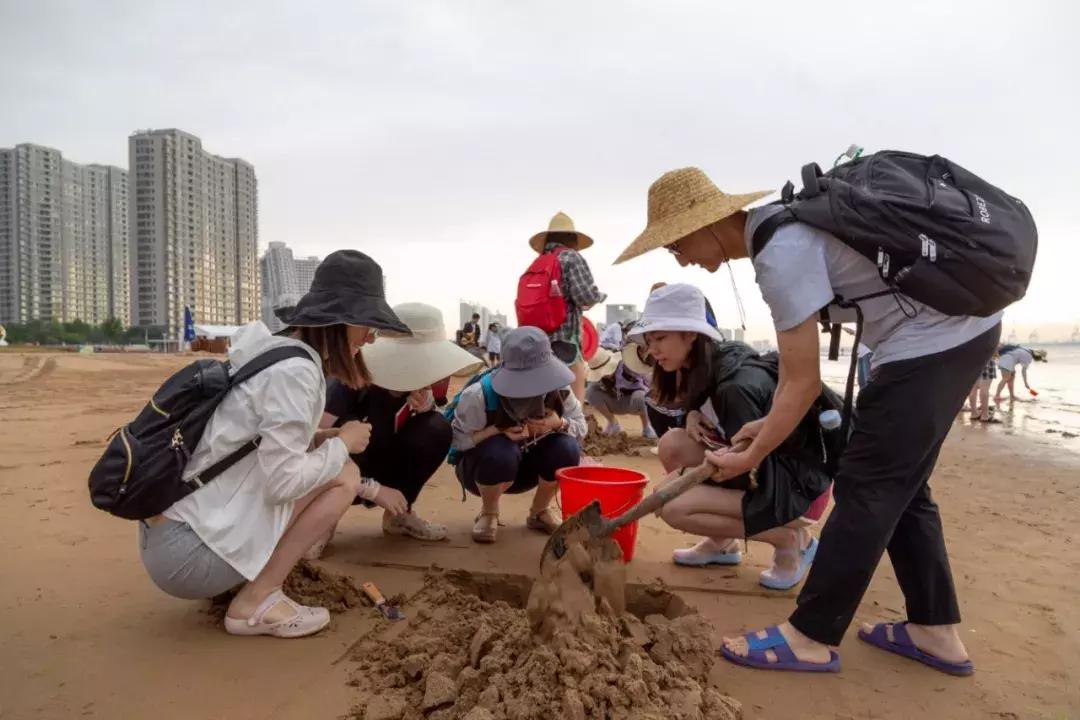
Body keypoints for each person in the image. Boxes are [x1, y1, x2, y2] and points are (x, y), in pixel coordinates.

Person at [616, 167, 1002, 675]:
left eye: (675, 244)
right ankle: (934, 631)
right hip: (954, 336)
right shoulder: (787, 229)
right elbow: (791, 389)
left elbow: (800, 380)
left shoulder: (781, 253)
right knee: (905, 488)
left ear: (704, 223)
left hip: (931, 343)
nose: (680, 257)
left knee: (867, 485)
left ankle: (810, 636)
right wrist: (763, 429)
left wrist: (752, 452)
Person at [138, 250, 412, 638]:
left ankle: (244, 578)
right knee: (344, 476)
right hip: (187, 557)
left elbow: (251, 444)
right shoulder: (296, 372)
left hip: (170, 533)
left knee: (332, 463)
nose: (371, 337)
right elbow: (282, 483)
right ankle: (256, 601)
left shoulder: (270, 351)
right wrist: (343, 445)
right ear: (340, 320)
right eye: (368, 324)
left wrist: (323, 437)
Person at [629, 284, 831, 588]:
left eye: (660, 338)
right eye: (649, 340)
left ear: (691, 334)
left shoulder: (736, 386)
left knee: (672, 505)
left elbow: (762, 470)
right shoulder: (703, 365)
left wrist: (685, 481)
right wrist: (694, 415)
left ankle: (791, 540)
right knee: (673, 444)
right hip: (766, 471)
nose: (652, 350)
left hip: (798, 489)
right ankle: (722, 543)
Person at [319, 303, 484, 545]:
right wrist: (371, 489)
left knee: (437, 427)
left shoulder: (425, 386)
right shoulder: (350, 381)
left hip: (386, 461)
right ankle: (324, 521)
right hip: (339, 472)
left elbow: (428, 430)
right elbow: (315, 445)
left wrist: (428, 407)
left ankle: (399, 516)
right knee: (349, 431)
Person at [451, 327, 587, 544]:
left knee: (567, 448)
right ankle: (489, 513)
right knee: (499, 451)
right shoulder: (480, 395)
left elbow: (581, 427)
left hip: (529, 470)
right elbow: (457, 441)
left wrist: (557, 423)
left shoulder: (559, 389)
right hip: (483, 472)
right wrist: (495, 431)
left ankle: (540, 511)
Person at [529, 211, 606, 402]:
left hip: (538, 341)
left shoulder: (539, 262)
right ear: (572, 238)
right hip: (565, 340)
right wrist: (599, 296)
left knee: (546, 400)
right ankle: (572, 432)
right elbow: (584, 296)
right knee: (572, 403)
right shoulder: (571, 257)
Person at [584, 350, 658, 440]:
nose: (604, 375)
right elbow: (592, 394)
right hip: (615, 402)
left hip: (634, 402)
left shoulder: (628, 369)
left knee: (641, 395)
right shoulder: (599, 380)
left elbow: (649, 384)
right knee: (590, 391)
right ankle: (613, 423)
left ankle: (647, 426)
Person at [968, 351, 1000, 423]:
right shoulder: (985, 339)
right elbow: (994, 352)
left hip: (971, 359)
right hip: (986, 357)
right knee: (985, 387)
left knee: (973, 388)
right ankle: (985, 415)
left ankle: (974, 413)